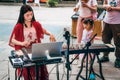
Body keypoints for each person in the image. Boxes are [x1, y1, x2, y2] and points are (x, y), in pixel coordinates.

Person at [9, 4, 56, 80]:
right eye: (27, 15)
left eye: (31, 14)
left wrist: (50, 34)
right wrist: (22, 43)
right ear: (22, 15)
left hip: (36, 49)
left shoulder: (36, 24)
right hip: (24, 51)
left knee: (39, 69)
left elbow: (44, 31)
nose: (30, 17)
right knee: (29, 70)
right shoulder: (19, 26)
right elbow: (12, 40)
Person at [99, 0, 120, 68]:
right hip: (106, 21)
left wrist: (112, 8)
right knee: (105, 39)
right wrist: (106, 6)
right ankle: (105, 56)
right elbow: (104, 4)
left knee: (118, 42)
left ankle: (118, 59)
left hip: (117, 22)